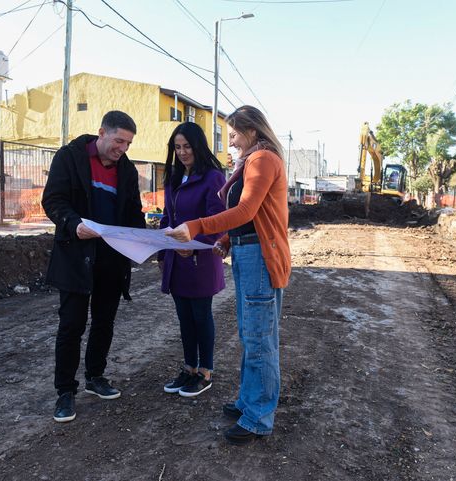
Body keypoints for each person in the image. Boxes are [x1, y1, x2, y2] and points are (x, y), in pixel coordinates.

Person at [166, 106, 290, 445]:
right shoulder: (251, 161)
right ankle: (249, 403)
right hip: (249, 253)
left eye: (233, 132)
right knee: (251, 334)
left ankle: (259, 417)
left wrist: (198, 226)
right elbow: (252, 217)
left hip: (260, 258)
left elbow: (246, 210)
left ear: (250, 130)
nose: (230, 139)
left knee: (259, 339)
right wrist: (226, 239)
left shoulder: (262, 159)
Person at [42, 110, 146, 423]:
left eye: (128, 143)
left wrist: (146, 239)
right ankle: (65, 391)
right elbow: (53, 200)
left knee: (104, 321)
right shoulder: (70, 157)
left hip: (112, 259)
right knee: (71, 324)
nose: (123, 148)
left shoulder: (126, 169)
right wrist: (73, 224)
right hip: (76, 255)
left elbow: (132, 211)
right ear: (101, 133)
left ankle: (96, 377)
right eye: (118, 141)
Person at [158, 122, 226, 397]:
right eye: (177, 147)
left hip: (200, 260)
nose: (183, 152)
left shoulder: (213, 177)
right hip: (176, 260)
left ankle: (205, 371)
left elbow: (218, 220)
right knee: (184, 318)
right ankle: (189, 369)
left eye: (187, 146)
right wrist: (162, 250)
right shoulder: (173, 177)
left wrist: (197, 248)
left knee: (200, 316)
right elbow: (167, 218)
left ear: (198, 146)